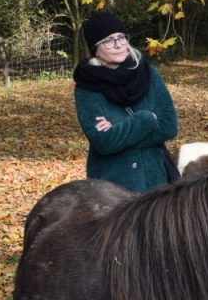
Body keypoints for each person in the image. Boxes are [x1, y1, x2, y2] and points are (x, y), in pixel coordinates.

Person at [74, 10, 178, 192]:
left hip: (156, 182)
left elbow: (169, 126)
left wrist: (119, 131)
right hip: (111, 189)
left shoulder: (149, 74)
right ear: (95, 48)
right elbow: (104, 143)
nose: (118, 45)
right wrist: (147, 119)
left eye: (121, 37)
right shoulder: (87, 86)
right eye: (108, 40)